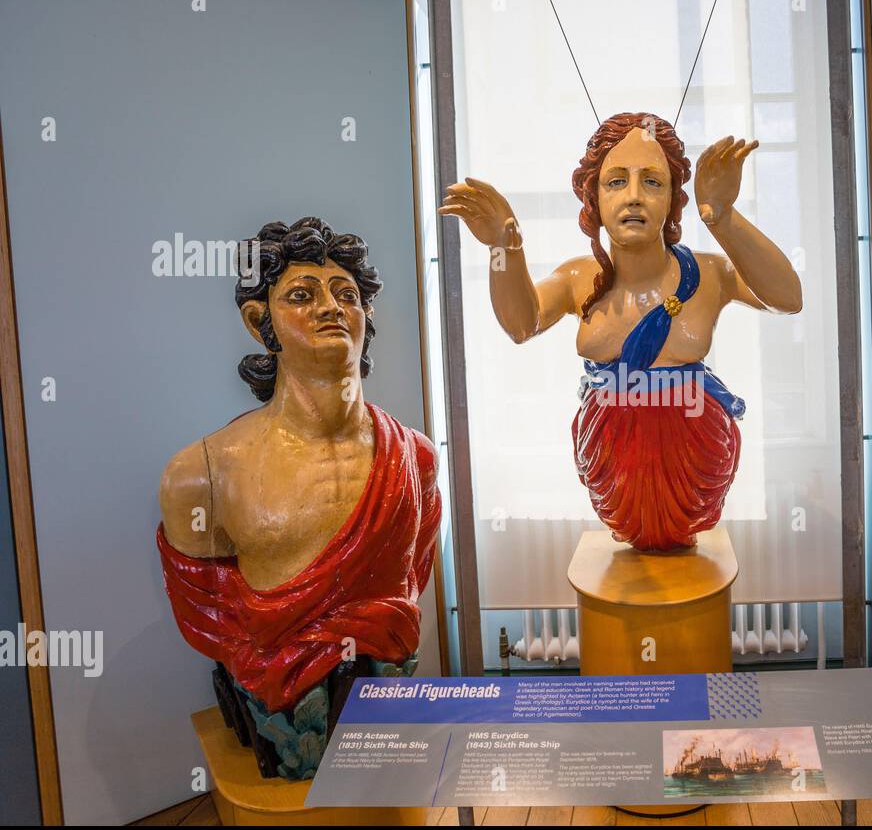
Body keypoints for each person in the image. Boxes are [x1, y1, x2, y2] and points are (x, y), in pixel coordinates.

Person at [156, 217, 441, 778]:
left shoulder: (417, 459)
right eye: (301, 296)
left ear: (367, 316)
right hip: (283, 718)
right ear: (259, 320)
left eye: (347, 295)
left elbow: (415, 570)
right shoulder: (202, 474)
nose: (330, 308)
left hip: (387, 718)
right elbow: (209, 611)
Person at [439, 112, 801, 550]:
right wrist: (503, 247)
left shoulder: (710, 273)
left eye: (652, 181)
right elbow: (522, 325)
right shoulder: (577, 277)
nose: (634, 196)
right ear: (592, 196)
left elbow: (787, 298)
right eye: (615, 181)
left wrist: (722, 218)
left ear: (672, 198)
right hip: (610, 455)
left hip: (696, 453)